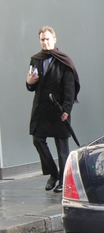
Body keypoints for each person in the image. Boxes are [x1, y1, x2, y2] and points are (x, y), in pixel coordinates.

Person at [26, 26, 80, 193]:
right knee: (37, 139)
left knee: (62, 146)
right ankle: (53, 173)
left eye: (48, 39)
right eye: (42, 39)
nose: (45, 42)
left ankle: (63, 181)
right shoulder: (35, 59)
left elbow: (69, 88)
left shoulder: (64, 61)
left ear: (54, 39)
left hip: (59, 108)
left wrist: (67, 109)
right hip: (41, 107)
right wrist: (29, 82)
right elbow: (31, 86)